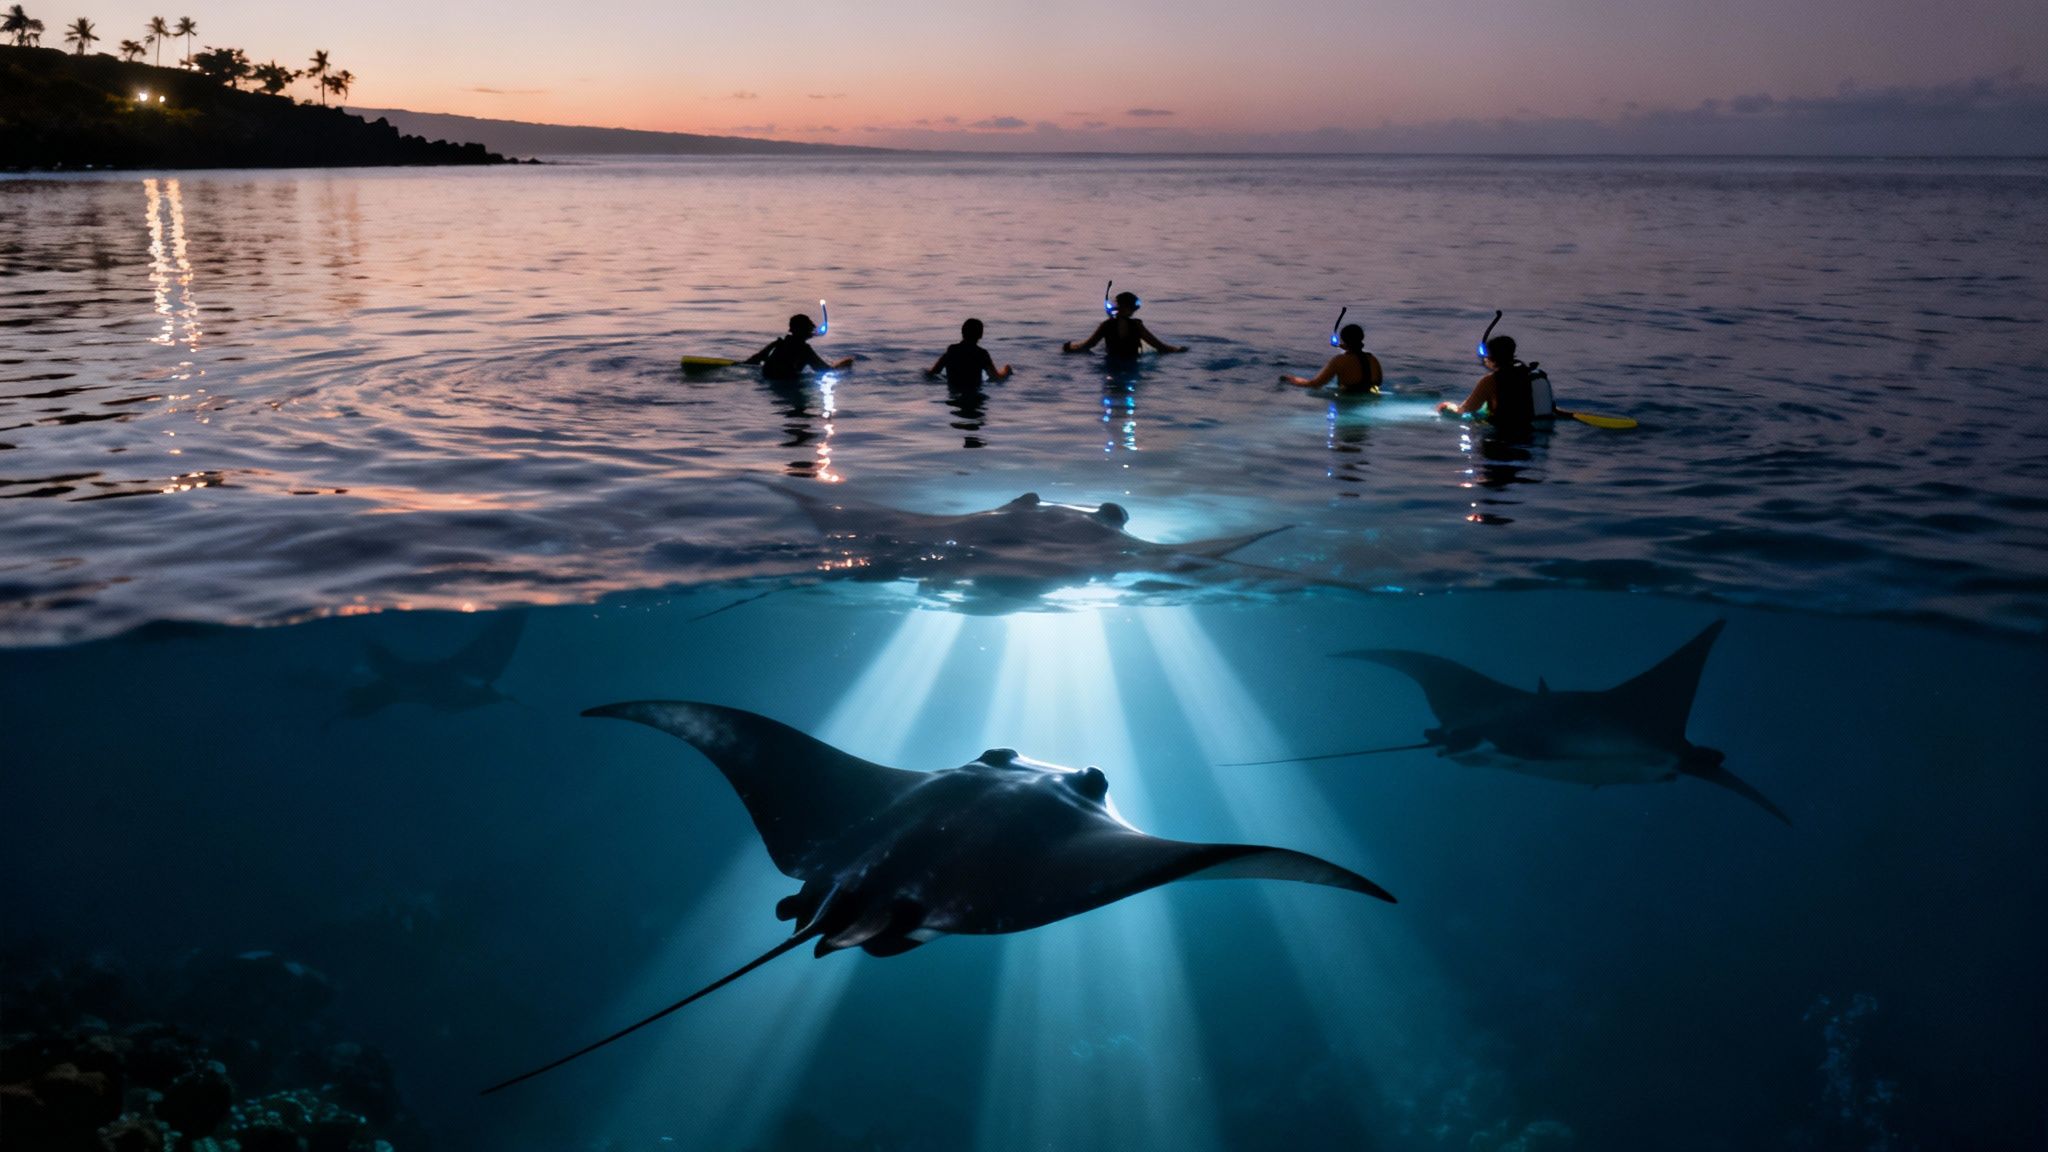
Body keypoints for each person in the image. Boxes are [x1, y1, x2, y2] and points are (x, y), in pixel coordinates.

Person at [1438, 335, 1555, 429]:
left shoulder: (1490, 380)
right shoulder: (1528, 374)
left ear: (1491, 357)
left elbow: (1466, 409)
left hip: (1502, 434)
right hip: (1531, 435)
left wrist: (1448, 406)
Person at [1063, 291, 1186, 357]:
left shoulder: (1106, 325)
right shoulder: (1137, 325)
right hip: (1133, 364)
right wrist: (1178, 350)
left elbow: (1087, 345)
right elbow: (1160, 346)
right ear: (1132, 308)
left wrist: (1070, 348)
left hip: (1111, 363)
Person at [1281, 323, 1382, 395]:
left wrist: (1292, 380)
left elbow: (1316, 384)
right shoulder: (1372, 359)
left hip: (1347, 402)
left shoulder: (1339, 361)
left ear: (1343, 341)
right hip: (1371, 399)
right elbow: (1377, 383)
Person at [746, 314, 853, 381]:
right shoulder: (805, 350)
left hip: (767, 378)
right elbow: (823, 370)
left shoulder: (777, 343)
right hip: (787, 383)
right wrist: (846, 363)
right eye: (810, 325)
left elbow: (753, 361)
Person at [927, 318, 1013, 386]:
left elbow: (932, 373)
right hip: (974, 396)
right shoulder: (981, 354)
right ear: (981, 335)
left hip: (953, 399)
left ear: (962, 332)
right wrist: (1007, 371)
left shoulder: (952, 350)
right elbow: (995, 378)